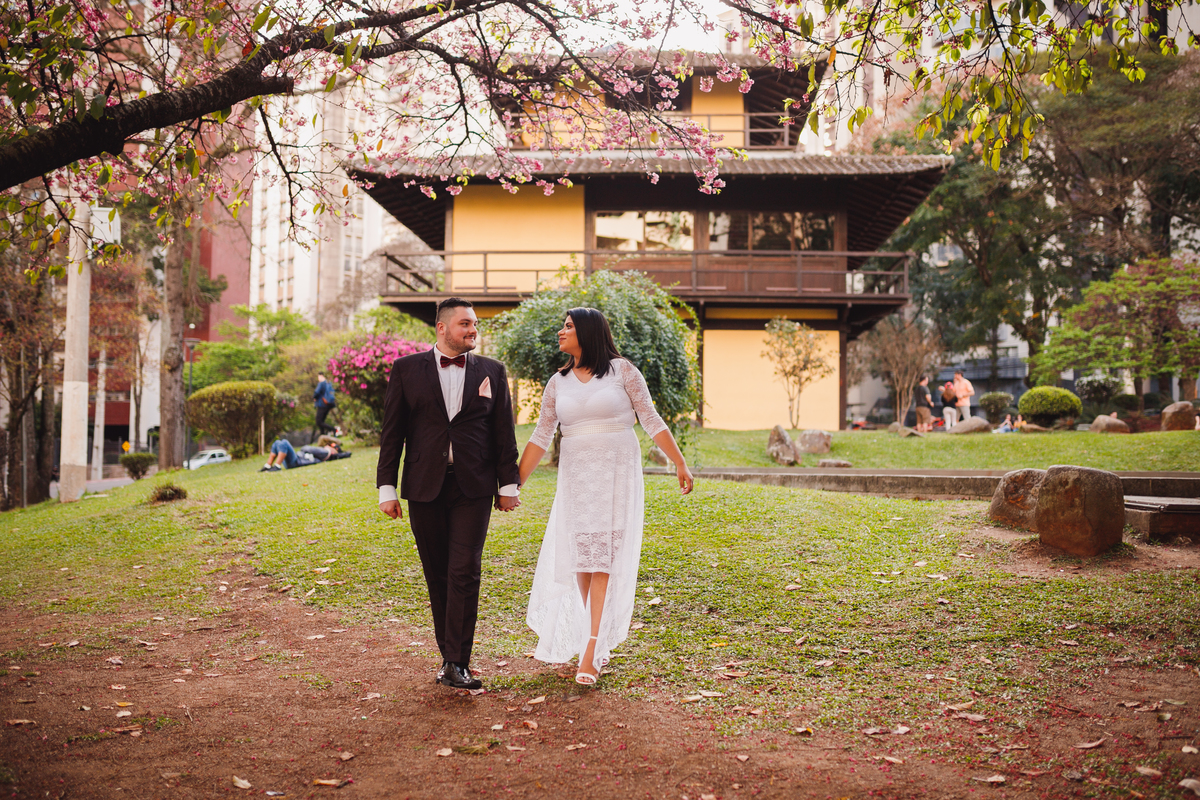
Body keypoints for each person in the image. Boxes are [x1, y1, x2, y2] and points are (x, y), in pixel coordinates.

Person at [517, 308, 694, 686]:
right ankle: (593, 637)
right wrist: (514, 482)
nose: (561, 331)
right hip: (577, 476)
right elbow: (540, 435)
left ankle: (592, 649)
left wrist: (679, 462)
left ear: (589, 331)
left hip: (616, 473)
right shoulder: (557, 382)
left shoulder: (623, 371)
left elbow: (651, 418)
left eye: (568, 326)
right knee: (583, 556)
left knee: (603, 558)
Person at [376, 297, 520, 692]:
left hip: (473, 486)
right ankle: (447, 657)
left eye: (475, 324)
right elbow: (392, 434)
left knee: (464, 571)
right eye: (465, 324)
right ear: (442, 328)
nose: (473, 330)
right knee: (437, 573)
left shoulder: (492, 370)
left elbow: (503, 432)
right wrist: (386, 488)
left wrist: (508, 485)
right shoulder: (406, 370)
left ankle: (458, 661)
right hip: (424, 485)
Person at [259, 437, 341, 471]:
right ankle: (268, 465)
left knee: (284, 442)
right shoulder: (323, 452)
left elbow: (305, 448)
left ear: (334, 450)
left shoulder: (326, 452)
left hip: (297, 461)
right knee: (277, 442)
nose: (328, 445)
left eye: (331, 446)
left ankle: (277, 466)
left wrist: (328, 449)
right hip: (296, 460)